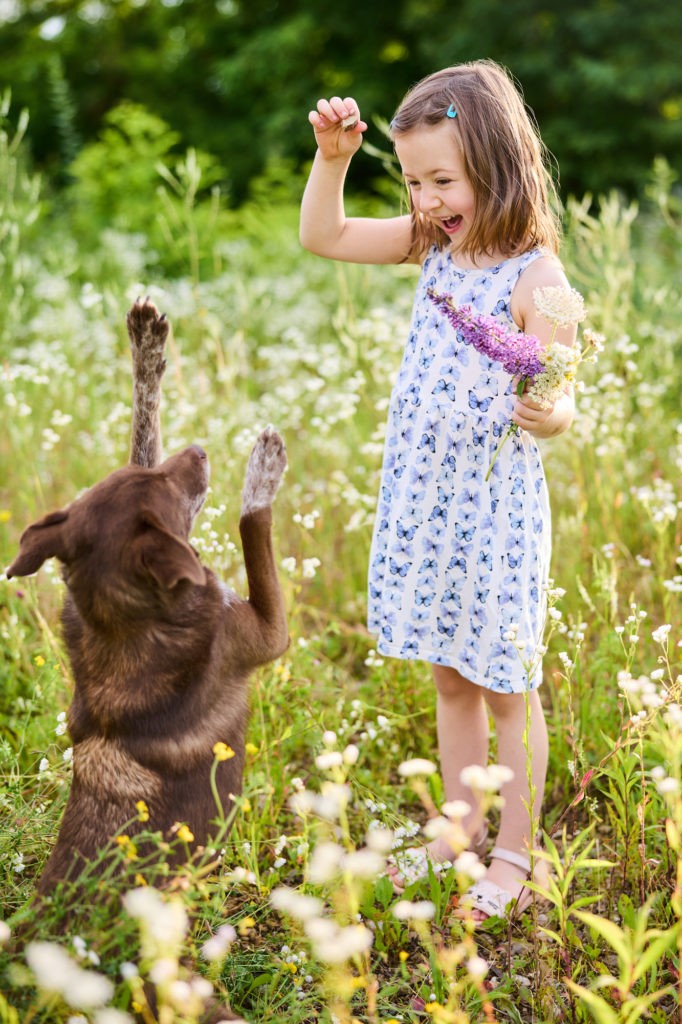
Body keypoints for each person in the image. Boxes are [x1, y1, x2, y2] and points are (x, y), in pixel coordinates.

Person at [300, 60, 576, 922]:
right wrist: (333, 160)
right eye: (413, 180)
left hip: (494, 513)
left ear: (494, 166)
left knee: (506, 685)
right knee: (450, 677)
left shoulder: (540, 283)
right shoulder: (435, 245)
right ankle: (454, 838)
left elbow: (563, 397)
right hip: (426, 505)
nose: (424, 200)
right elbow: (327, 238)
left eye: (441, 180)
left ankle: (516, 856)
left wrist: (551, 410)